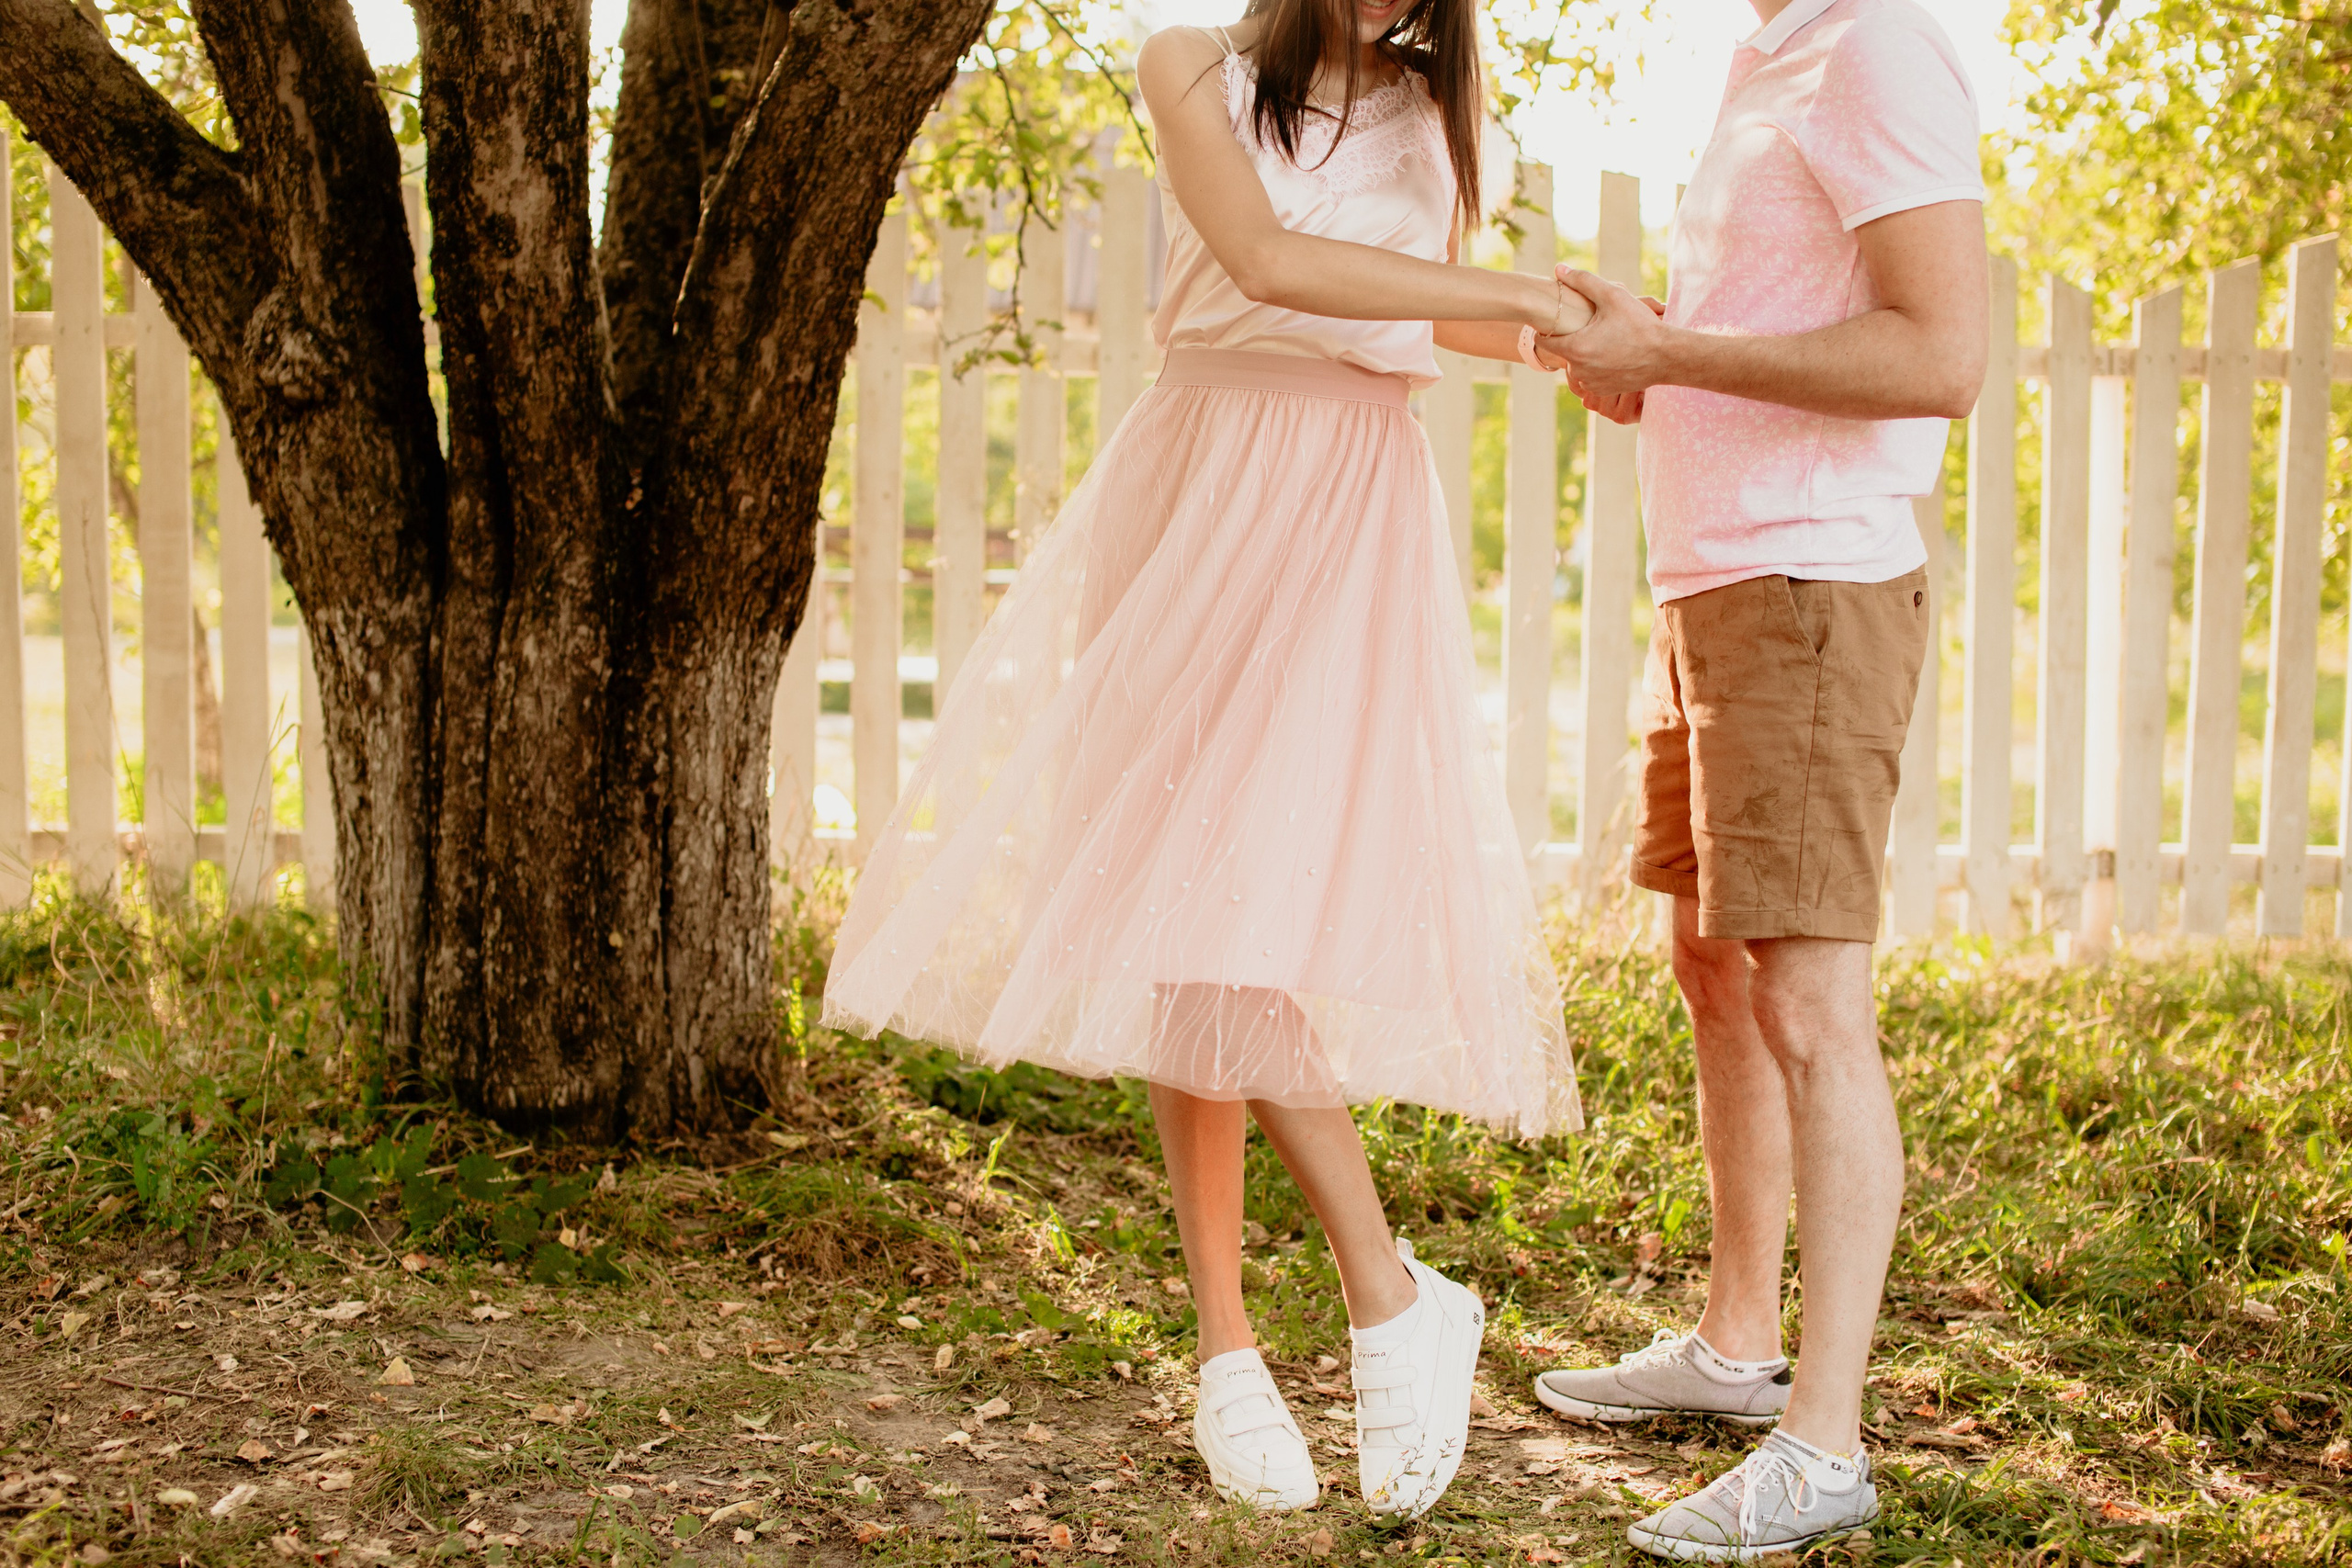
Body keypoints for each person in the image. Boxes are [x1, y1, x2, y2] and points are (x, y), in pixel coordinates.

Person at [822, 0, 1588, 1522]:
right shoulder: (1196, 64)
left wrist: (1578, 338)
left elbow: (1414, 313)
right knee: (1182, 894)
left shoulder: (1441, 110)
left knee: (1224, 903)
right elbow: (1270, 262)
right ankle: (1261, 1337)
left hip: (1350, 497)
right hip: (1201, 482)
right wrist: (1523, 294)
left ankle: (1366, 1306)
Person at [1530, 0, 1986, 1557]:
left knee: (1808, 1001)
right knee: (1716, 969)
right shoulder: (1764, 50)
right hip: (1717, 584)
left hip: (1809, 586)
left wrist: (1673, 349)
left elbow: (1944, 353)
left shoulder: (1878, 45)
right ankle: (1736, 1353)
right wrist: (1652, 358)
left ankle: (1826, 1446)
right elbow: (1778, 324)